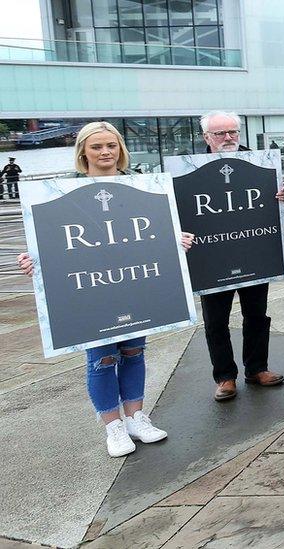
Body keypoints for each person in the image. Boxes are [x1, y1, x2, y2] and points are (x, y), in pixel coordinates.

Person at [17, 121, 192, 457]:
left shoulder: (141, 185)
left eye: (111, 145)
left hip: (132, 284)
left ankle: (136, 418)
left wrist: (174, 242)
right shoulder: (62, 191)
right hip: (92, 291)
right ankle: (113, 427)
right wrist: (34, 261)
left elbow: (152, 232)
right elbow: (50, 242)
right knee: (101, 358)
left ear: (120, 149)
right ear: (83, 151)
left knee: (134, 351)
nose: (105, 152)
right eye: (97, 146)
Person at [199, 111, 284, 401]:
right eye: (220, 133)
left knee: (256, 315)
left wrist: (282, 195)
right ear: (206, 138)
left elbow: (280, 200)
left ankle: (257, 368)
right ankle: (225, 377)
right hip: (212, 257)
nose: (228, 138)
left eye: (233, 132)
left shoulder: (260, 164)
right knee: (215, 321)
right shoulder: (190, 169)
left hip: (253, 252)